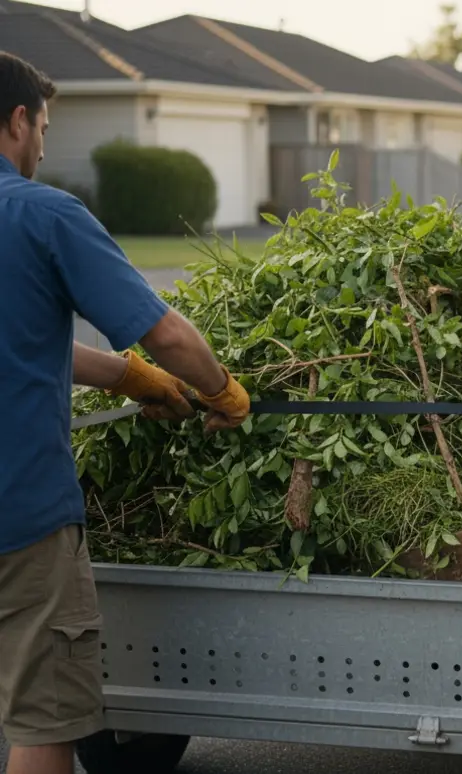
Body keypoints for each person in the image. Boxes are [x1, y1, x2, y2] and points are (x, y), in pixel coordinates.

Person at [0, 52, 252, 774]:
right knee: (43, 721)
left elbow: (19, 341)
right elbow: (167, 333)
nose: (44, 145)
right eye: (43, 126)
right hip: (19, 518)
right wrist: (221, 392)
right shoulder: (42, 214)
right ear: (18, 121)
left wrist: (125, 379)